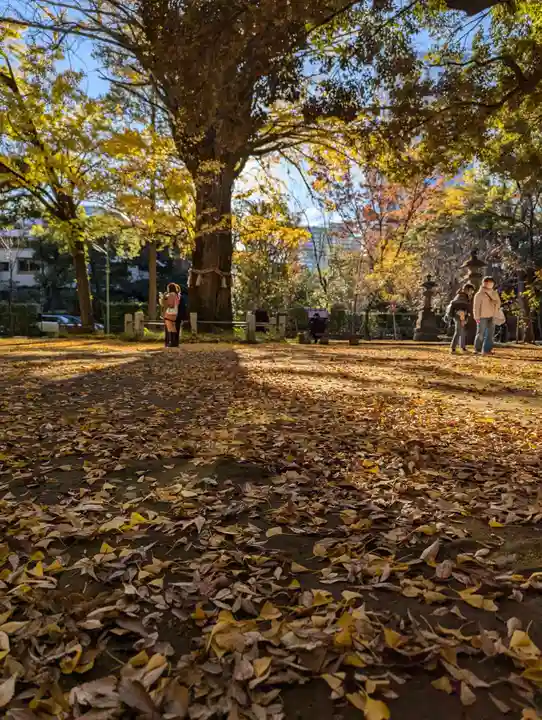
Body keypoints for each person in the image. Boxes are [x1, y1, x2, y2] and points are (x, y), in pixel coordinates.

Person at [473, 276, 502, 355]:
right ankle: (477, 349)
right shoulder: (479, 294)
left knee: (490, 334)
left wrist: (495, 302)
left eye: (491, 283)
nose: (489, 284)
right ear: (484, 283)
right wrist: (476, 317)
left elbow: (499, 303)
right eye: (487, 282)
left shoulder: (494, 293)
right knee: (480, 333)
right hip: (482, 316)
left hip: (492, 315)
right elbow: (476, 307)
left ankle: (487, 350)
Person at [448, 283, 474, 353]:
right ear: (466, 289)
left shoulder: (461, 295)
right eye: (471, 290)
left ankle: (462, 347)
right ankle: (453, 348)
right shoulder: (462, 296)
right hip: (460, 315)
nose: (471, 292)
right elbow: (461, 307)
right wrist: (462, 318)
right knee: (458, 331)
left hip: (459, 315)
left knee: (462, 331)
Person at [161, 283, 180, 348]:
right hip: (175, 312)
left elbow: (170, 305)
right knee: (173, 327)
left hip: (169, 312)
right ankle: (174, 342)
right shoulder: (176, 295)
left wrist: (164, 299)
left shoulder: (171, 295)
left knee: (169, 328)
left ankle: (171, 342)